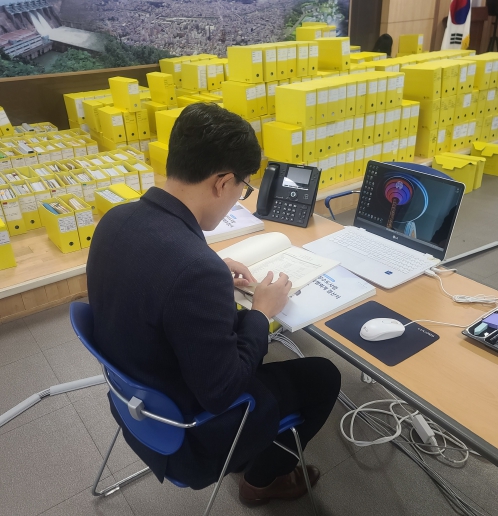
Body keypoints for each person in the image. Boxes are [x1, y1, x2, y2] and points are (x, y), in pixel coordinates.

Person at [86, 103, 341, 507]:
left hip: (134, 404)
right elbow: (222, 392)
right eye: (243, 188)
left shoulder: (116, 220)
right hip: (187, 433)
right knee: (324, 375)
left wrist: (210, 270)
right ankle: (261, 482)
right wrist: (261, 312)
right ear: (222, 182)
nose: (240, 196)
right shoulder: (194, 269)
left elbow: (154, 271)